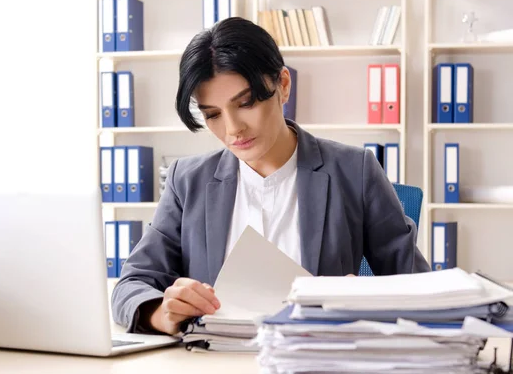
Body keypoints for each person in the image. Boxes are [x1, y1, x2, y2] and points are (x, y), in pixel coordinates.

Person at [110, 17, 430, 336]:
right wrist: (161, 314)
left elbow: (421, 288)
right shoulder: (187, 181)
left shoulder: (354, 170)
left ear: (283, 85)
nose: (233, 128)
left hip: (316, 362)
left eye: (246, 103)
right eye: (213, 114)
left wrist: (364, 298)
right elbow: (131, 286)